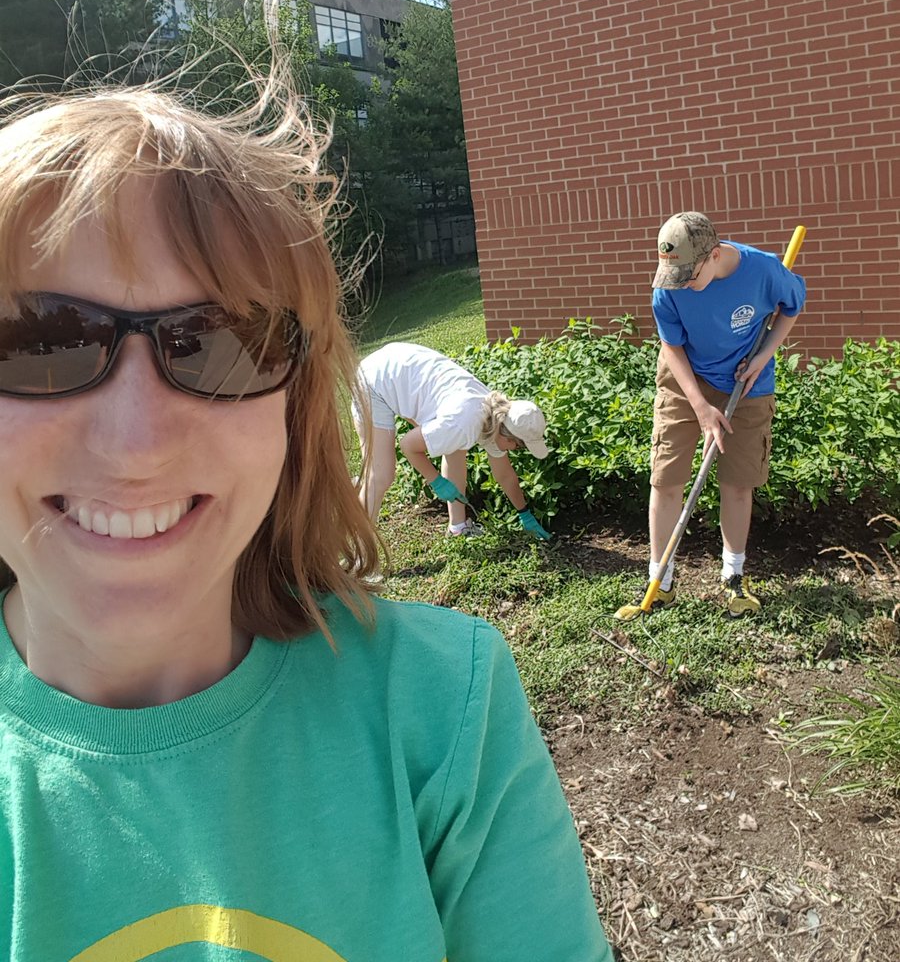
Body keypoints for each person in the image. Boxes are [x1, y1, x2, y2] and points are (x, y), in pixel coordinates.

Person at [0, 79, 614, 962]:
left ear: (290, 407)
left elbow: (491, 467)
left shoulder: (445, 705)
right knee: (386, 469)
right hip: (388, 395)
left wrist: (508, 513)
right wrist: (452, 508)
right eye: (38, 340)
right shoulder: (460, 418)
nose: (135, 449)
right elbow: (419, 454)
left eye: (224, 341)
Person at [646, 211, 806, 616]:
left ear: (714, 255)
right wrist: (701, 408)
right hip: (685, 379)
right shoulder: (668, 286)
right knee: (666, 478)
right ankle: (660, 581)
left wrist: (763, 357)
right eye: (674, 275)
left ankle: (733, 577)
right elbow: (672, 346)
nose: (680, 284)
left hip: (746, 383)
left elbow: (791, 306)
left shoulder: (764, 270)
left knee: (738, 482)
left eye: (689, 275)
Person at [355, 341, 551, 539]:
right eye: (518, 446)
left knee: (455, 445)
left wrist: (525, 514)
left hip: (402, 371)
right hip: (375, 381)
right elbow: (408, 445)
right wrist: (436, 481)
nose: (515, 450)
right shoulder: (463, 423)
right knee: (380, 476)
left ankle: (458, 527)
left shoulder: (495, 416)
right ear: (507, 435)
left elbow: (505, 475)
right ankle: (359, 551)